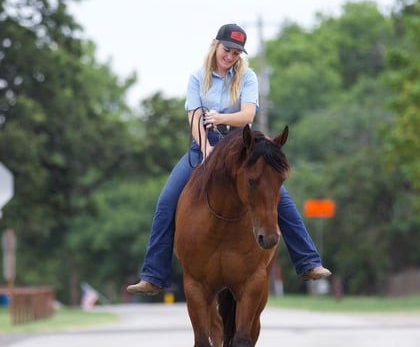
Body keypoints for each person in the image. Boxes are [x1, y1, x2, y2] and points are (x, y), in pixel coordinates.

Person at [127, 23, 331, 295]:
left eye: (237, 53)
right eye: (227, 49)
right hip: (205, 146)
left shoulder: (247, 77)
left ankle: (308, 261)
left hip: (239, 146)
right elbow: (195, 117)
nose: (231, 56)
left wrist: (221, 118)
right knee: (166, 200)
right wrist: (207, 150)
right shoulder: (197, 77)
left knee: (277, 193)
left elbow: (247, 116)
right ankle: (153, 275)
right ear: (216, 45)